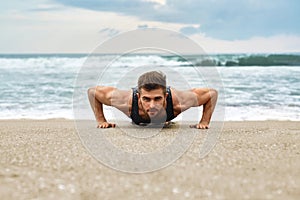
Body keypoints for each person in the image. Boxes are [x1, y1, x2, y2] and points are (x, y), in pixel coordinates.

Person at [88, 71, 218, 129]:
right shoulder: (125, 102)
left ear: (165, 96)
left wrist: (204, 122)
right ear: (138, 97)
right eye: (146, 99)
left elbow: (212, 94)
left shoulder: (179, 102)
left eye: (157, 99)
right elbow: (93, 92)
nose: (152, 105)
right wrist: (101, 121)